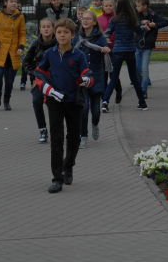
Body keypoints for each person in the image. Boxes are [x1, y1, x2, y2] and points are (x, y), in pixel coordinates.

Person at [35, 18, 94, 193]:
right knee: (57, 138)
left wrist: (85, 81)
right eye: (59, 32)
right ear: (55, 33)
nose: (62, 35)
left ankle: (68, 165)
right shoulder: (50, 54)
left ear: (72, 35)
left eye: (66, 32)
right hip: (55, 101)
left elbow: (88, 76)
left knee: (74, 138)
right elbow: (39, 73)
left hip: (74, 101)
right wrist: (47, 88)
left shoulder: (79, 55)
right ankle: (57, 178)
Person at [101, 0, 147, 112]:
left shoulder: (114, 19)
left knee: (114, 78)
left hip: (117, 51)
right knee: (134, 78)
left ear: (118, 6)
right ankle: (142, 102)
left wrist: (105, 39)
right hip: (130, 51)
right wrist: (144, 28)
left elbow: (108, 33)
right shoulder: (132, 19)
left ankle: (105, 102)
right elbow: (139, 32)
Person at [74, 10, 109, 148]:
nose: (85, 20)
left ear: (94, 22)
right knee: (84, 108)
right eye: (83, 18)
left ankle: (95, 124)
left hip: (96, 77)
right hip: (82, 78)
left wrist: (105, 50)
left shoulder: (100, 38)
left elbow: (105, 51)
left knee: (95, 111)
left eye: (88, 18)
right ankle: (83, 136)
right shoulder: (77, 38)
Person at [0, 0, 26, 111]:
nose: (14, 3)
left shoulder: (20, 17)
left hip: (13, 52)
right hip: (0, 51)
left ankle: (6, 101)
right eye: (11, 1)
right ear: (5, 3)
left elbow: (22, 33)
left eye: (15, 1)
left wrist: (21, 46)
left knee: (9, 80)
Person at [22, 17, 57, 144]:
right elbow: (26, 62)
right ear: (40, 29)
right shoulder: (36, 44)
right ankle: (42, 130)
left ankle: (56, 130)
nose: (46, 29)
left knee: (54, 105)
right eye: (43, 27)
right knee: (37, 101)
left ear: (53, 29)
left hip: (55, 80)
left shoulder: (58, 43)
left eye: (49, 26)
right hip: (39, 80)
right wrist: (34, 75)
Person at [135, 0, 168, 99]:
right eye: (136, 5)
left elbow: (166, 22)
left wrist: (155, 25)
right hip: (137, 43)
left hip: (148, 45)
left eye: (139, 6)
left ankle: (144, 90)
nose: (137, 7)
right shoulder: (136, 14)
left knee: (144, 68)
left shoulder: (153, 15)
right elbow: (131, 22)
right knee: (136, 67)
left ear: (145, 6)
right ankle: (141, 83)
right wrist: (141, 23)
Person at [98, 0, 122, 99]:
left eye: (110, 5)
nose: (108, 7)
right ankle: (104, 97)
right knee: (103, 74)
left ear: (114, 6)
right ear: (102, 7)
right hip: (102, 50)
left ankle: (118, 90)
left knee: (113, 73)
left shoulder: (117, 18)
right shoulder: (99, 19)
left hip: (115, 49)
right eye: (106, 6)